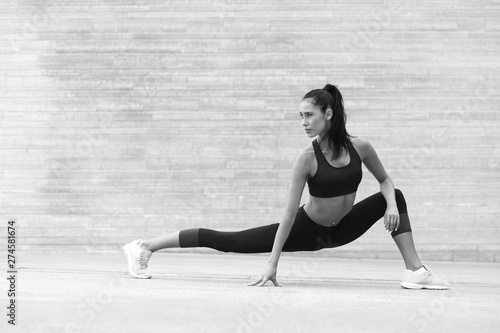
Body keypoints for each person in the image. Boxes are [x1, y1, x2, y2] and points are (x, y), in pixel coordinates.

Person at [123, 84, 450, 290]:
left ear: (329, 114)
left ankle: (415, 271)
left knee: (397, 197)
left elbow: (385, 181)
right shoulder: (306, 159)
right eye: (301, 116)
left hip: (343, 229)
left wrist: (390, 204)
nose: (304, 122)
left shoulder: (360, 147)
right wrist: (272, 263)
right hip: (306, 230)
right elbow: (289, 214)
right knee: (227, 241)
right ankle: (145, 246)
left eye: (309, 115)